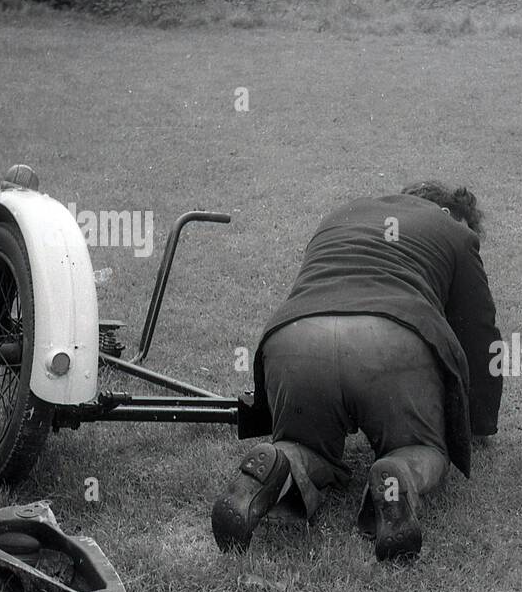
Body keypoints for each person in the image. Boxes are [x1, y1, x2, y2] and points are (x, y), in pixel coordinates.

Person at [212, 181, 502, 560]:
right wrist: (477, 423)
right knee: (422, 448)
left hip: (294, 339)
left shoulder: (340, 216)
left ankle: (281, 460)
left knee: (303, 444)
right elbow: (479, 335)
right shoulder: (453, 231)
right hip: (391, 343)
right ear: (448, 212)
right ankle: (401, 471)